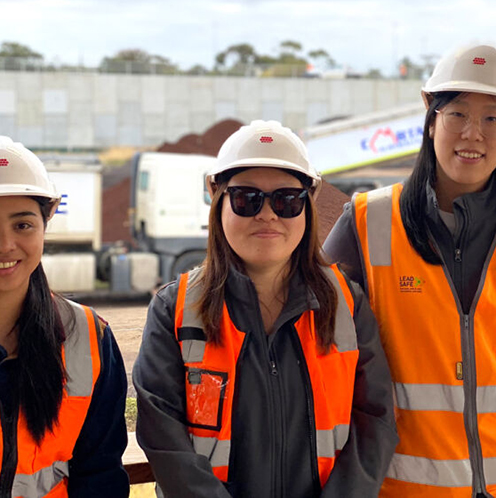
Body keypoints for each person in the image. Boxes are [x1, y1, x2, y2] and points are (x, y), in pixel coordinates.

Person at [324, 44, 496, 497]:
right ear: (431, 120)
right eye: (457, 115)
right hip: (415, 481)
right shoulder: (368, 222)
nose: (473, 134)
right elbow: (325, 356)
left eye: (493, 118)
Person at [133, 120, 397, 497]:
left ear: (306, 207)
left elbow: (376, 421)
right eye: (247, 199)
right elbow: (163, 436)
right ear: (218, 201)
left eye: (287, 200)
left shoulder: (346, 306)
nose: (268, 214)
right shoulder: (175, 309)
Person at [0, 136, 129, 497]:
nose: (4, 244)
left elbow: (99, 476)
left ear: (44, 226)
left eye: (23, 225)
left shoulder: (89, 338)